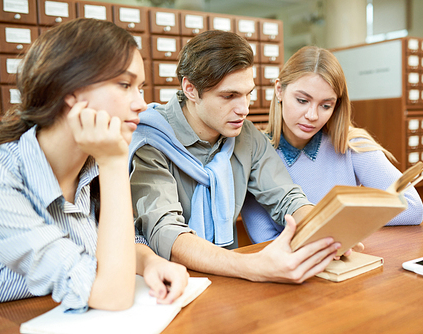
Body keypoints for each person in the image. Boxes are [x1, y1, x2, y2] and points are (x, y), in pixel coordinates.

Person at [0, 18, 188, 312]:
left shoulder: (93, 162)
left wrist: (150, 261)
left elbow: (117, 243)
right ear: (70, 90)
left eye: (140, 87)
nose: (141, 104)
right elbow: (112, 296)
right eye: (125, 85)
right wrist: (115, 162)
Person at [129, 30, 348, 285]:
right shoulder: (151, 140)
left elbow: (287, 197)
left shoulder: (246, 135)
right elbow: (165, 232)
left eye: (248, 94)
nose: (244, 109)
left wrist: (326, 232)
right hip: (166, 286)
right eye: (229, 96)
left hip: (229, 279)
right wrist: (252, 266)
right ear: (190, 89)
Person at [240, 46, 423, 244]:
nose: (312, 116)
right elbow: (266, 242)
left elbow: (412, 207)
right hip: (293, 269)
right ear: (279, 90)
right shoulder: (256, 155)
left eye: (326, 105)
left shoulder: (350, 144)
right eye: (302, 100)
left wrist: (334, 224)